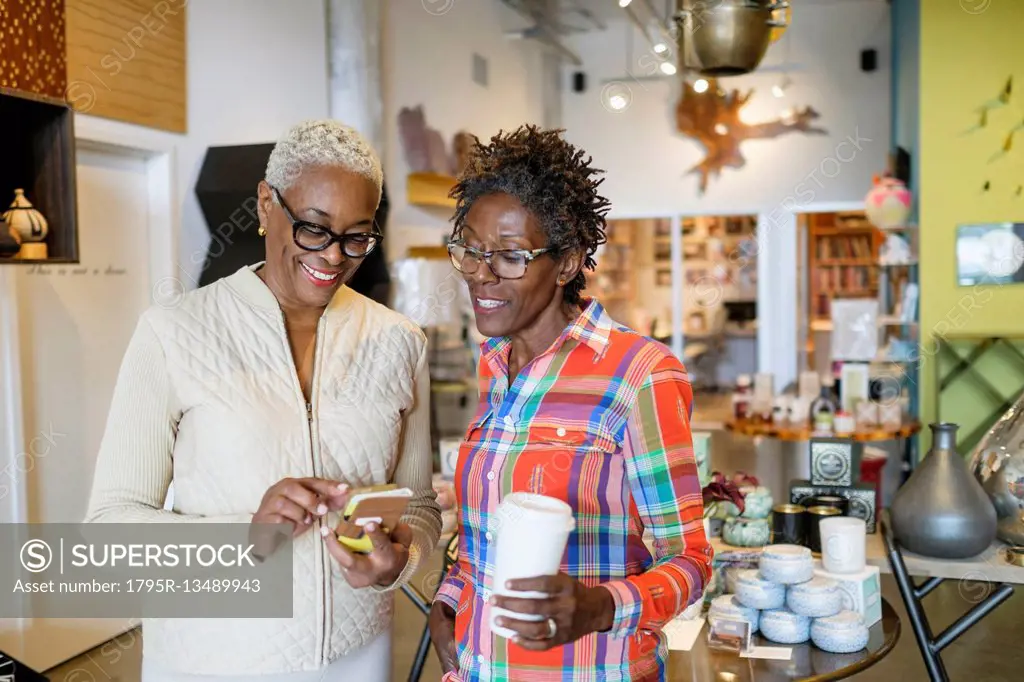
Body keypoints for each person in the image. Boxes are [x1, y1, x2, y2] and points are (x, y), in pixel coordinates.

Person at [85, 119, 441, 682]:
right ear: (266, 205)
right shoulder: (173, 332)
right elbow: (109, 529)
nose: (334, 256)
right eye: (313, 228)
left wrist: (398, 563)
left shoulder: (401, 341)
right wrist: (245, 537)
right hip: (211, 660)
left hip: (357, 656)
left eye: (357, 236)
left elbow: (418, 509)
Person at [428, 125, 713, 682]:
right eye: (471, 250)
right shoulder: (495, 368)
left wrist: (597, 608)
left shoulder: (641, 376)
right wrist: (449, 599)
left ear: (566, 263)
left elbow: (692, 562)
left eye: (511, 256)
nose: (482, 275)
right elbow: (483, 537)